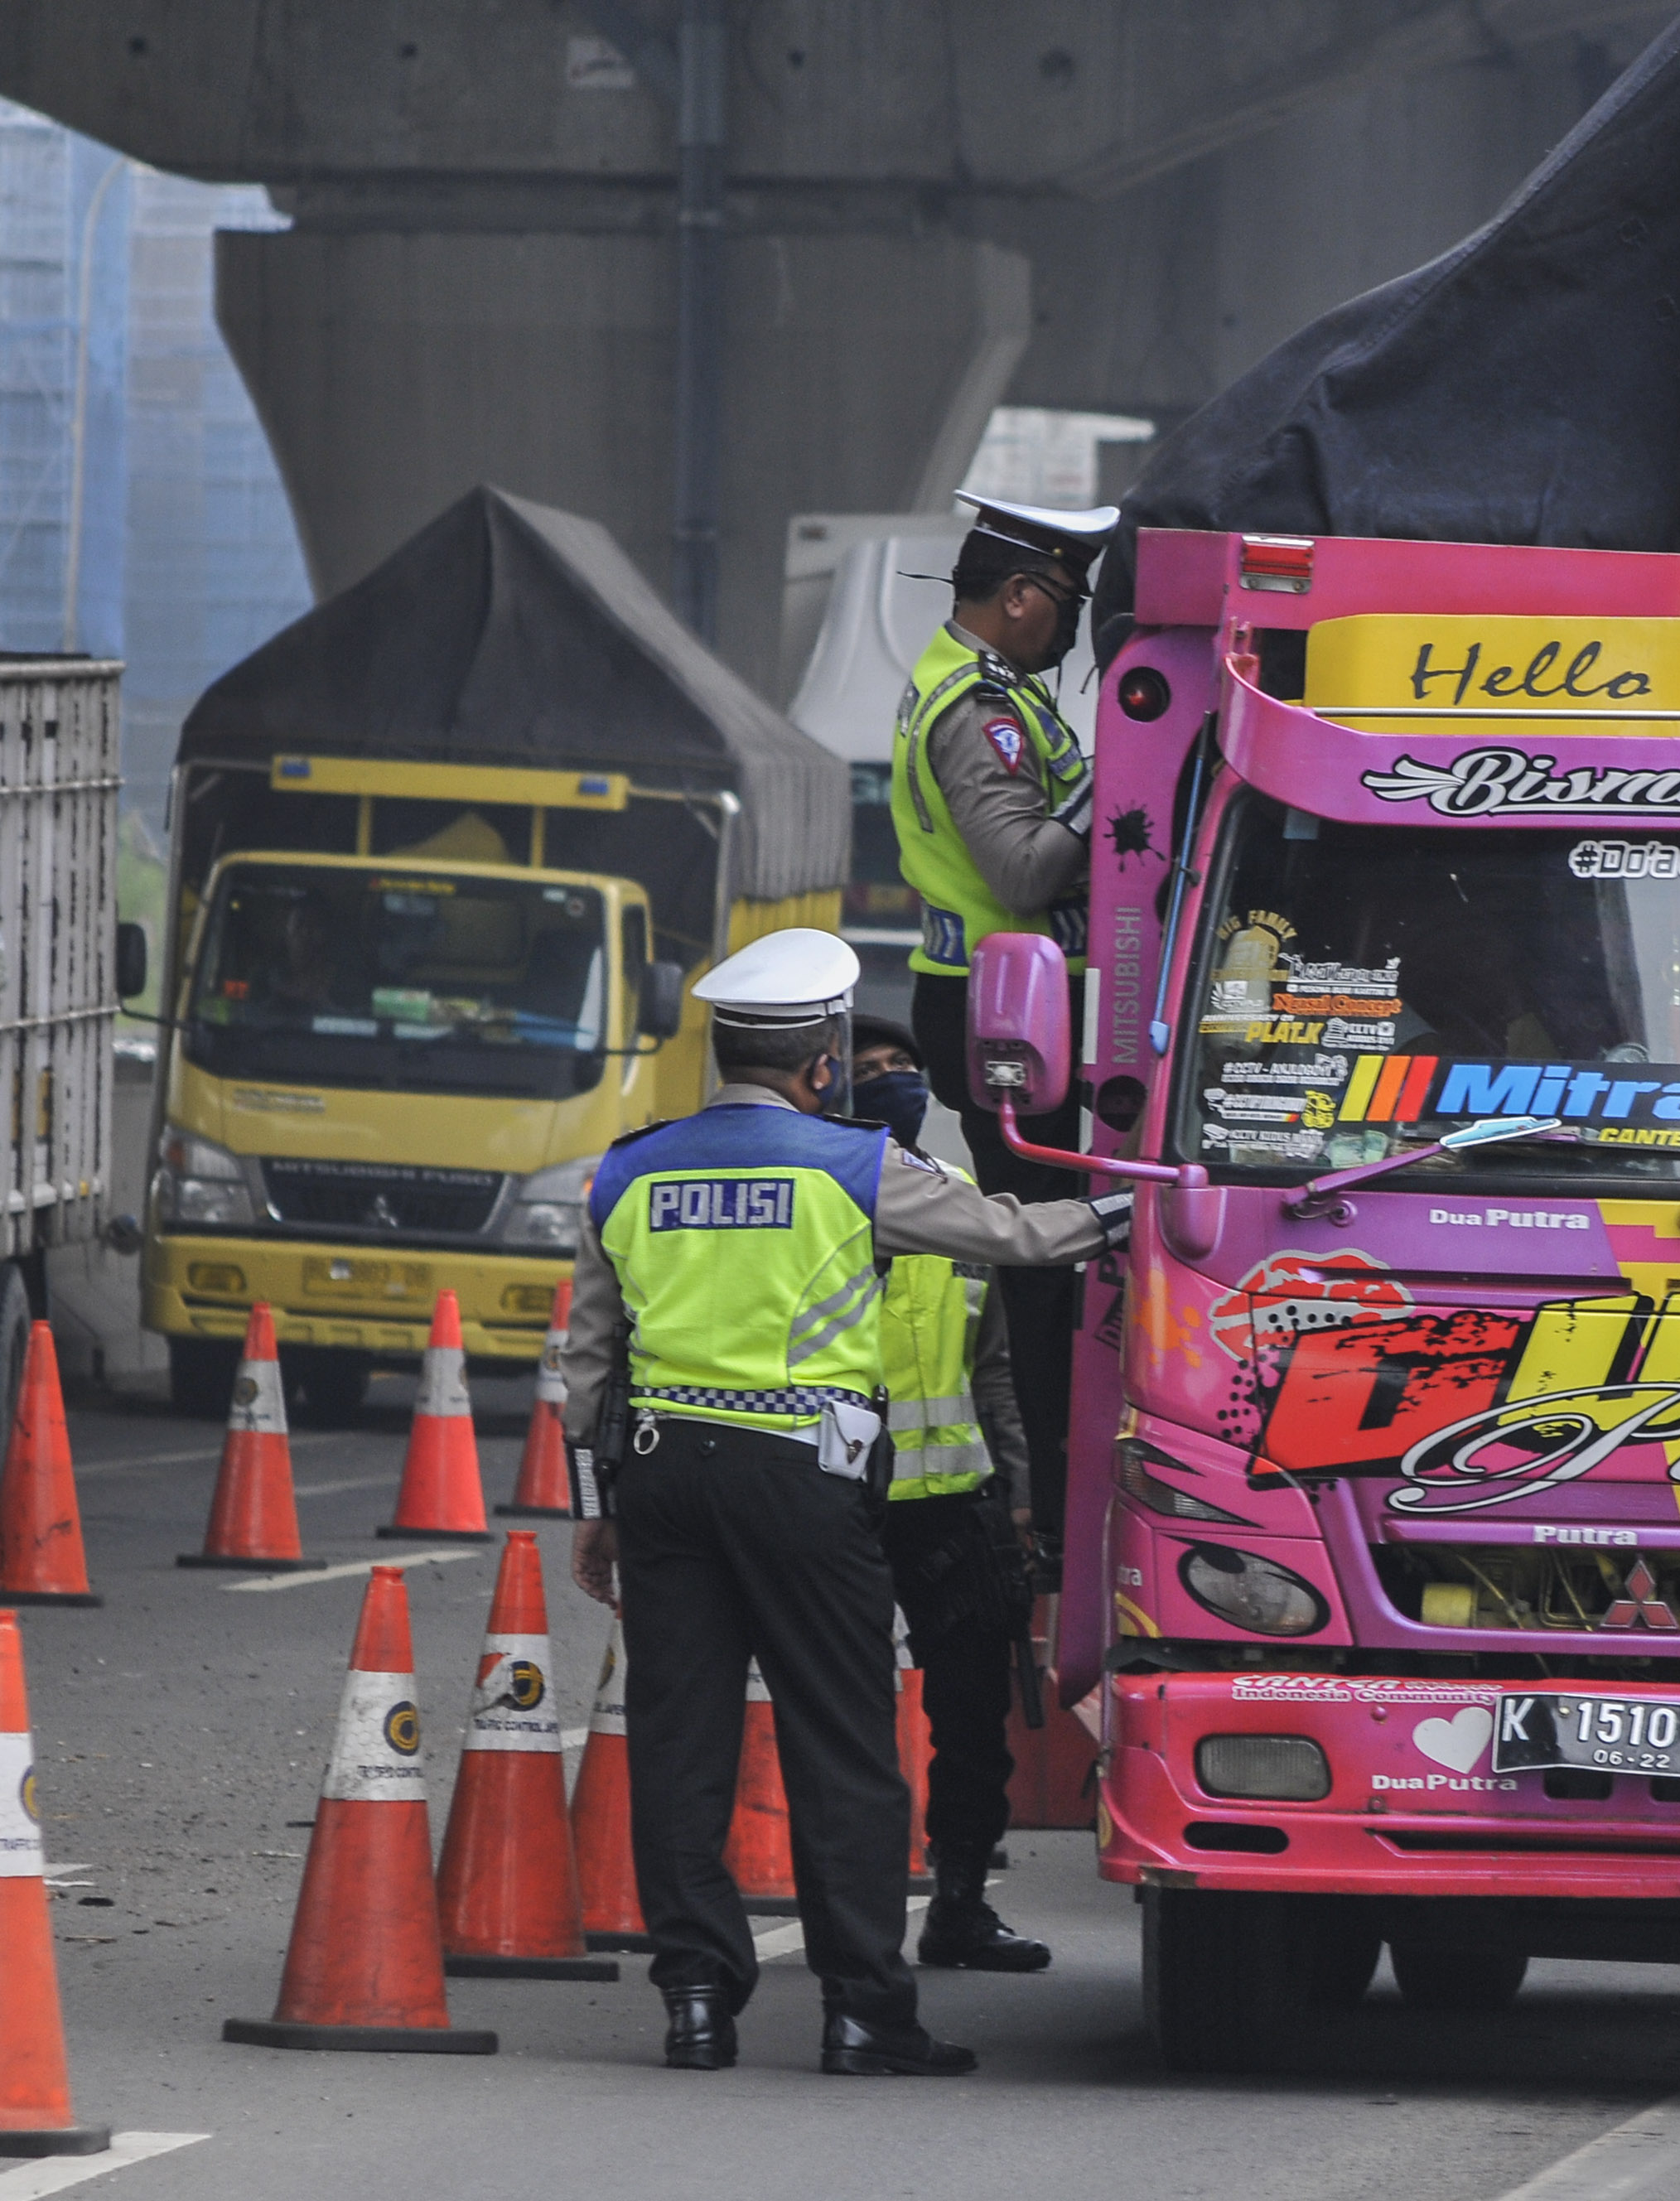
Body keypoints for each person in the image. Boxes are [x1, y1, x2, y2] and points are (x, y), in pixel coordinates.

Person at [562, 928, 1117, 2078]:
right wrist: (1130, 1212)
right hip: (802, 1485)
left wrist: (598, 1508)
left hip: (662, 1480)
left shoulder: (628, 1168)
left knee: (680, 1745)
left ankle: (698, 2002)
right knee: (844, 1746)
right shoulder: (850, 1164)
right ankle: (865, 2011)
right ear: (822, 1057)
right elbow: (1018, 1234)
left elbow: (588, 1367)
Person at [889, 491, 1119, 1573]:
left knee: (1061, 1249)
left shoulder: (996, 691)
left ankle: (1063, 1488)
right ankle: (1063, 1510)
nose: (1071, 624)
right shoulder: (969, 710)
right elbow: (1023, 867)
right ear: (1020, 595)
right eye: (1066, 600)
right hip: (1003, 1007)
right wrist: (1130, 766)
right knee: (1045, 1260)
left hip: (1013, 995)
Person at [849, 1014, 1049, 1973]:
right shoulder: (821, 1200)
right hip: (839, 1495)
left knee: (971, 1718)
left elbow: (994, 1367)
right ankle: (851, 1911)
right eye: (867, 1070)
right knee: (843, 1714)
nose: (890, 1081)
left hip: (954, 1502)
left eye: (903, 1067)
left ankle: (960, 1902)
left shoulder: (964, 1201)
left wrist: (1015, 1492)